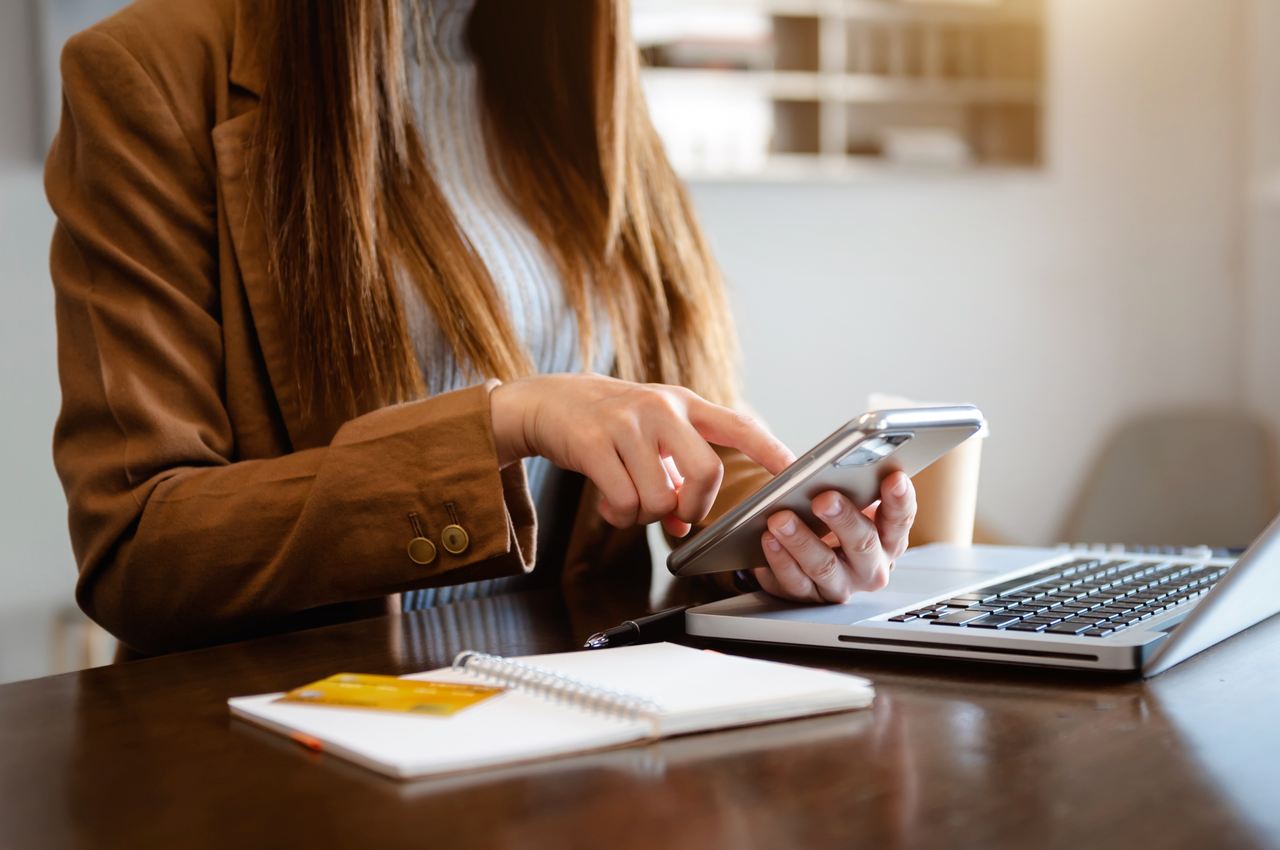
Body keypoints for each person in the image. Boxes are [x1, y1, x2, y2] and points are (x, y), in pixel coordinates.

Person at [45, 0, 919, 657]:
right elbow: (139, 553)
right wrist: (504, 421)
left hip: (582, 721)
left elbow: (674, 437)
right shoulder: (145, 71)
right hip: (304, 752)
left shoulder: (580, 74)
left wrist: (785, 538)